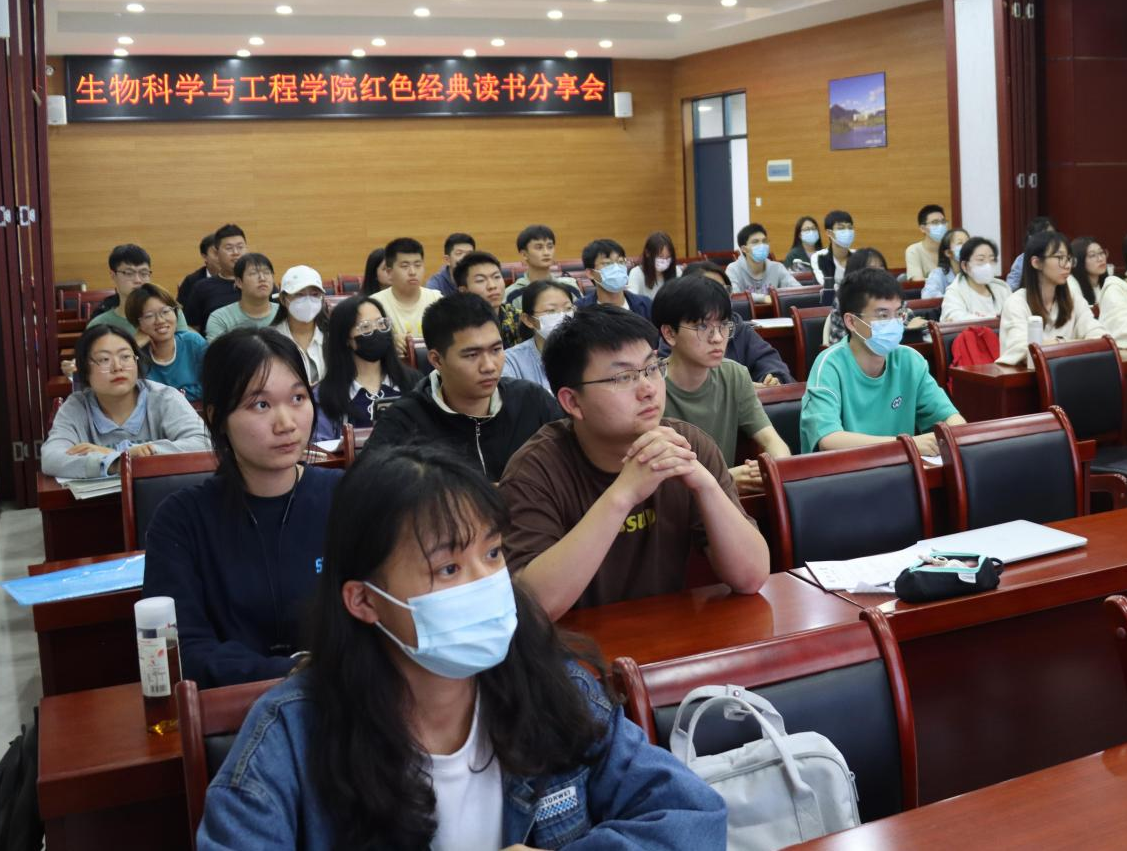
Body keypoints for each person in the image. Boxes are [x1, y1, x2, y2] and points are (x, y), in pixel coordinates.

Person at [195, 445, 726, 850]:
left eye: (492, 555)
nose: (485, 583)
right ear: (364, 601)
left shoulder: (552, 686)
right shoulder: (289, 735)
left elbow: (693, 817)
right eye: (448, 568)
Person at [498, 306, 771, 618]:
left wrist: (706, 486)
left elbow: (751, 577)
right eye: (624, 377)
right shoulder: (535, 471)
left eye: (652, 368)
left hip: (670, 635)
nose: (648, 389)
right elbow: (535, 607)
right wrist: (623, 494)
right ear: (572, 401)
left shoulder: (688, 446)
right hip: (572, 644)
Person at [143, 328, 343, 689]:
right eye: (260, 405)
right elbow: (183, 648)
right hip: (233, 707)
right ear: (217, 417)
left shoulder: (347, 496)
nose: (287, 424)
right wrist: (289, 673)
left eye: (298, 398)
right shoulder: (181, 519)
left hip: (344, 697)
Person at [366, 294, 562, 481]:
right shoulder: (404, 421)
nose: (489, 366)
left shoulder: (532, 400)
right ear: (436, 360)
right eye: (472, 355)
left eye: (496, 350)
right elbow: (368, 488)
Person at [801, 268, 964, 455]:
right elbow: (829, 440)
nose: (894, 323)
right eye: (882, 315)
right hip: (845, 470)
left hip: (901, 468)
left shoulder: (910, 361)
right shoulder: (830, 365)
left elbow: (949, 418)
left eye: (898, 314)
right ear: (852, 322)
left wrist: (958, 434)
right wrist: (907, 445)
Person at [653, 276, 791, 492]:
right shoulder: (648, 386)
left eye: (724, 326)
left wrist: (772, 470)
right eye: (702, 327)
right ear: (670, 333)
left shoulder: (734, 375)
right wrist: (726, 479)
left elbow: (772, 441)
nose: (718, 338)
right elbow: (655, 481)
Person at [41, 325, 210, 478]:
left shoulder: (164, 397)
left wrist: (135, 453)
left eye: (125, 357)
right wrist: (115, 462)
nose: (117, 367)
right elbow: (51, 458)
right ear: (85, 370)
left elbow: (204, 442)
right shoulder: (76, 407)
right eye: (104, 359)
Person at [313, 296, 421, 441]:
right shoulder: (325, 395)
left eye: (381, 323)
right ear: (345, 338)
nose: (377, 331)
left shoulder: (415, 382)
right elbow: (322, 449)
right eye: (365, 327)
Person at [997, 230, 1106, 366]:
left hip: (1070, 371)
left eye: (1069, 258)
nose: (1067, 265)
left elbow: (1099, 336)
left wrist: (1054, 345)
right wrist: (1066, 343)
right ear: (1037, 262)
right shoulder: (1016, 302)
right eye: (1060, 258)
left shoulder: (1073, 298)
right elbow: (1023, 350)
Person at [678, 261, 794, 384]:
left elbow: (767, 358)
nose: (719, 296)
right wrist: (740, 388)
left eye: (724, 290)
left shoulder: (735, 324)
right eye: (711, 289)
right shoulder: (679, 330)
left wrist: (772, 379)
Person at [86, 244, 188, 340]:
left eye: (144, 273)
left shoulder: (169, 312)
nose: (138, 280)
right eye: (129, 273)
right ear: (113, 275)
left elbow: (186, 347)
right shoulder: (100, 324)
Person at [125, 283, 207, 401]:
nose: (160, 320)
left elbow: (213, 384)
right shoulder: (135, 355)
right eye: (149, 316)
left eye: (165, 311)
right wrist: (133, 347)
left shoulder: (193, 343)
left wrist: (170, 397)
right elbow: (128, 396)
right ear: (137, 324)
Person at [502, 279, 576, 392]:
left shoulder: (587, 352)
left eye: (568, 308)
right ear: (528, 320)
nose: (563, 316)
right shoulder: (511, 361)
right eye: (551, 311)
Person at [372, 237, 442, 352]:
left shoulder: (436, 299)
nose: (413, 272)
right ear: (389, 272)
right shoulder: (375, 305)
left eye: (418, 265)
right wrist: (389, 342)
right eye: (405, 266)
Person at [270, 266, 329, 386]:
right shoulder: (270, 340)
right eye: (299, 295)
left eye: (315, 294)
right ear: (283, 299)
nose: (308, 301)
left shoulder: (333, 334)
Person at [454, 251, 527, 347]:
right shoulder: (455, 328)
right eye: (480, 280)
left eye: (496, 277)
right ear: (463, 291)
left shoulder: (520, 319)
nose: (492, 286)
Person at [186, 224, 248, 329]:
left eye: (240, 247)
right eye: (229, 248)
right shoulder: (202, 287)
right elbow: (192, 327)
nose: (236, 252)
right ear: (217, 253)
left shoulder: (261, 281)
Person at [206, 252, 277, 341]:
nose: (262, 278)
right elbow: (217, 350)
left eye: (266, 272)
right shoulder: (220, 318)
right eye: (253, 273)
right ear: (239, 282)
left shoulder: (285, 314)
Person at [504, 223, 581, 304]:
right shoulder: (512, 294)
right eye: (539, 247)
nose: (546, 252)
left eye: (550, 246)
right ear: (524, 254)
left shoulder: (570, 287)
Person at [576, 239, 653, 318]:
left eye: (621, 262)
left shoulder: (645, 305)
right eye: (607, 263)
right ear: (590, 273)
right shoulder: (580, 310)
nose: (616, 268)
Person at [941, 237, 1012, 322]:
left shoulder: (1002, 288)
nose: (988, 265)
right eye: (981, 260)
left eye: (992, 260)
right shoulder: (955, 292)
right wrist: (995, 318)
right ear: (964, 266)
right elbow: (955, 319)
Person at [725, 223, 800, 301]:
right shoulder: (733, 269)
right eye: (755, 242)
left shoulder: (777, 267)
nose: (762, 245)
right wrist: (764, 299)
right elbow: (734, 296)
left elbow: (798, 291)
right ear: (744, 249)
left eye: (764, 241)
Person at [1005, 216, 1055, 291]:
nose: (1050, 239)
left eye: (1052, 235)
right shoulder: (1022, 260)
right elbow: (1009, 288)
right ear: (1032, 238)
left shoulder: (1057, 257)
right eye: (1045, 236)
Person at [627, 231, 684, 298]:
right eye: (660, 256)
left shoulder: (677, 271)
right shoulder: (636, 273)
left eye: (668, 257)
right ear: (647, 253)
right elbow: (632, 299)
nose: (664, 261)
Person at [810, 210, 858, 286]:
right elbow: (826, 284)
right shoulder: (819, 257)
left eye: (850, 227)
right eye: (841, 228)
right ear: (829, 233)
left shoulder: (858, 256)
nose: (847, 231)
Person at [904, 204, 950, 281]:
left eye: (943, 222)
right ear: (923, 228)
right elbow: (918, 280)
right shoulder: (914, 250)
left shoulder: (951, 249)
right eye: (935, 222)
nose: (941, 226)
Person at [921, 227, 970, 298]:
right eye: (960, 243)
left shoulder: (974, 272)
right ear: (948, 253)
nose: (966, 247)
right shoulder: (938, 274)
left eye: (968, 242)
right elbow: (928, 296)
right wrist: (955, 300)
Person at [1069, 236, 1116, 307]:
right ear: (1079, 261)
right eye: (1092, 255)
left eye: (1101, 252)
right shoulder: (1072, 287)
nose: (1100, 259)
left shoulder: (1109, 281)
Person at [177, 232, 219, 308]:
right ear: (204, 257)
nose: (222, 257)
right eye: (216, 253)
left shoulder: (238, 278)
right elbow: (182, 311)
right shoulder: (191, 281)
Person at [427, 232, 476, 297]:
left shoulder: (480, 278)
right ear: (447, 260)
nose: (465, 258)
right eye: (459, 253)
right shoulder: (436, 284)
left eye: (469, 253)